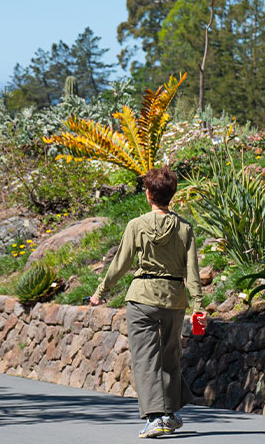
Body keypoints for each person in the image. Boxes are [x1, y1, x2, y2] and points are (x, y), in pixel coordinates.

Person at [89, 166, 206, 439]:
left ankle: (156, 417)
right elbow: (193, 271)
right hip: (174, 299)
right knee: (169, 357)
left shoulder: (136, 225)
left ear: (149, 194)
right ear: (172, 194)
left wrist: (100, 292)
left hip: (142, 298)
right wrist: (198, 305)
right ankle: (171, 413)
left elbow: (120, 264)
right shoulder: (185, 229)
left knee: (145, 360)